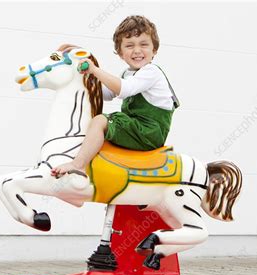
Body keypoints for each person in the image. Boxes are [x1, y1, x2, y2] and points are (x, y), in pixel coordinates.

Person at [51, 15, 180, 177]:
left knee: (100, 120)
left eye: (144, 44)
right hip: (136, 127)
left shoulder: (151, 72)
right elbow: (106, 93)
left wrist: (95, 70)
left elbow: (124, 89)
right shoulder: (129, 73)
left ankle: (78, 165)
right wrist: (81, 78)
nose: (137, 50)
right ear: (120, 53)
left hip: (148, 132)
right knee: (92, 127)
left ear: (154, 50)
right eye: (129, 46)